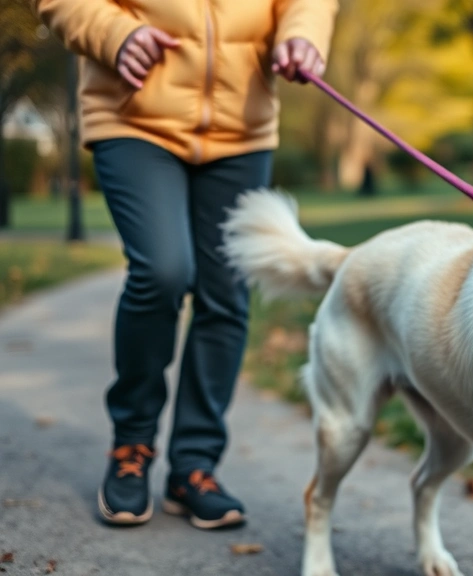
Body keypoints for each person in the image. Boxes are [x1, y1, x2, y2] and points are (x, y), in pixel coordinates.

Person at [34, 0, 338, 529]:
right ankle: (131, 445)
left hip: (241, 129)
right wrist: (115, 33)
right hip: (134, 119)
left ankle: (193, 466)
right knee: (162, 271)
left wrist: (302, 34)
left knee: (226, 294)